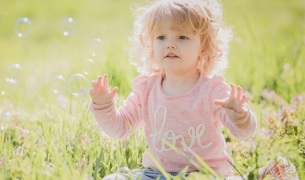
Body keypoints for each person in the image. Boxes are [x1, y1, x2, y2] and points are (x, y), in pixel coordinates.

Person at [89, 0, 257, 179]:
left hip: (204, 175)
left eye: (182, 37)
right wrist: (103, 106)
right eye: (161, 37)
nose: (170, 44)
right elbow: (120, 128)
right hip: (156, 174)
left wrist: (239, 114)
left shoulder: (211, 89)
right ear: (150, 45)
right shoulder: (147, 89)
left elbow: (244, 132)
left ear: (204, 47)